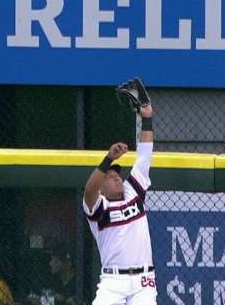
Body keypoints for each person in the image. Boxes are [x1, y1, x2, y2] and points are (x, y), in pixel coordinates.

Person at [82, 88, 157, 304]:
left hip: (144, 281)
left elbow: (144, 156)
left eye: (117, 175)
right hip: (113, 282)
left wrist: (147, 118)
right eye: (110, 176)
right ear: (101, 188)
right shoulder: (99, 207)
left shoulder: (133, 192)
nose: (116, 178)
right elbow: (88, 191)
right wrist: (108, 160)